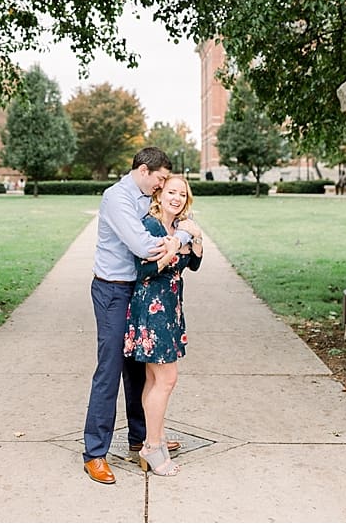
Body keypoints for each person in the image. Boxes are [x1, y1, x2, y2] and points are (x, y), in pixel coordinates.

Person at [82, 147, 195, 484]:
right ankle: (95, 453)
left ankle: (142, 439)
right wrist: (183, 238)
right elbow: (144, 246)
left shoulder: (146, 197)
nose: (161, 187)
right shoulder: (117, 198)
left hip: (137, 291)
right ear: (144, 171)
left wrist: (179, 237)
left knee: (137, 368)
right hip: (112, 290)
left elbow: (165, 230)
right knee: (110, 368)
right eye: (160, 179)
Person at [124, 174, 203, 476]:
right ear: (159, 195)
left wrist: (194, 236)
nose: (177, 198)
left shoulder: (178, 227)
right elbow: (142, 270)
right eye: (171, 192)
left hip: (170, 309)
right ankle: (152, 447)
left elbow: (193, 265)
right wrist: (172, 248)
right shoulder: (151, 225)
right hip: (151, 309)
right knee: (167, 380)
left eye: (182, 194)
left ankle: (150, 439)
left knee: (155, 381)